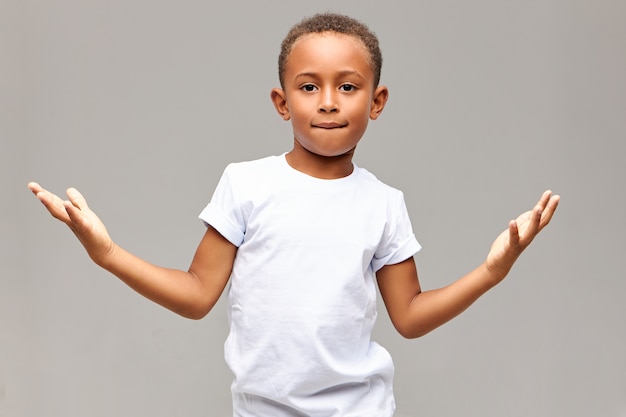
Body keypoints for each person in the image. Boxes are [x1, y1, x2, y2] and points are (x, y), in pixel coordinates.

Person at [27, 12, 559, 417]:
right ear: (283, 103)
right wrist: (107, 254)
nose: (328, 102)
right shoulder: (246, 184)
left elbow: (411, 317)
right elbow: (195, 296)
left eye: (347, 87)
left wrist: (492, 271)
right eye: (310, 87)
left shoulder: (383, 203)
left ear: (377, 101)